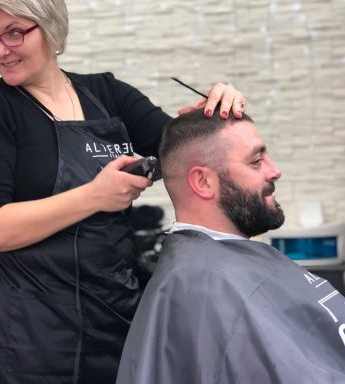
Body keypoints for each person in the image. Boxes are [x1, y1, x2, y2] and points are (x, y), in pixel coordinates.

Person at [0, 0, 247, 383]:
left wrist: (213, 114)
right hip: (27, 336)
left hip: (113, 316)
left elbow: (183, 154)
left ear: (52, 28)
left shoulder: (107, 94)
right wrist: (94, 196)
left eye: (14, 33)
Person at [116, 108, 345, 384]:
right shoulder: (200, 288)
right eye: (256, 161)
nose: (275, 171)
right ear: (203, 181)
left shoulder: (219, 267)